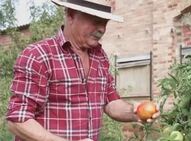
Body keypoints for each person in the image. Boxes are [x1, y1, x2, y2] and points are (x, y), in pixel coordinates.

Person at [6, 0, 160, 141]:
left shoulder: (99, 57)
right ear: (71, 15)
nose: (102, 29)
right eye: (96, 21)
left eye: (105, 22)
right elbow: (18, 120)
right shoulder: (38, 56)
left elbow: (110, 102)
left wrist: (136, 111)